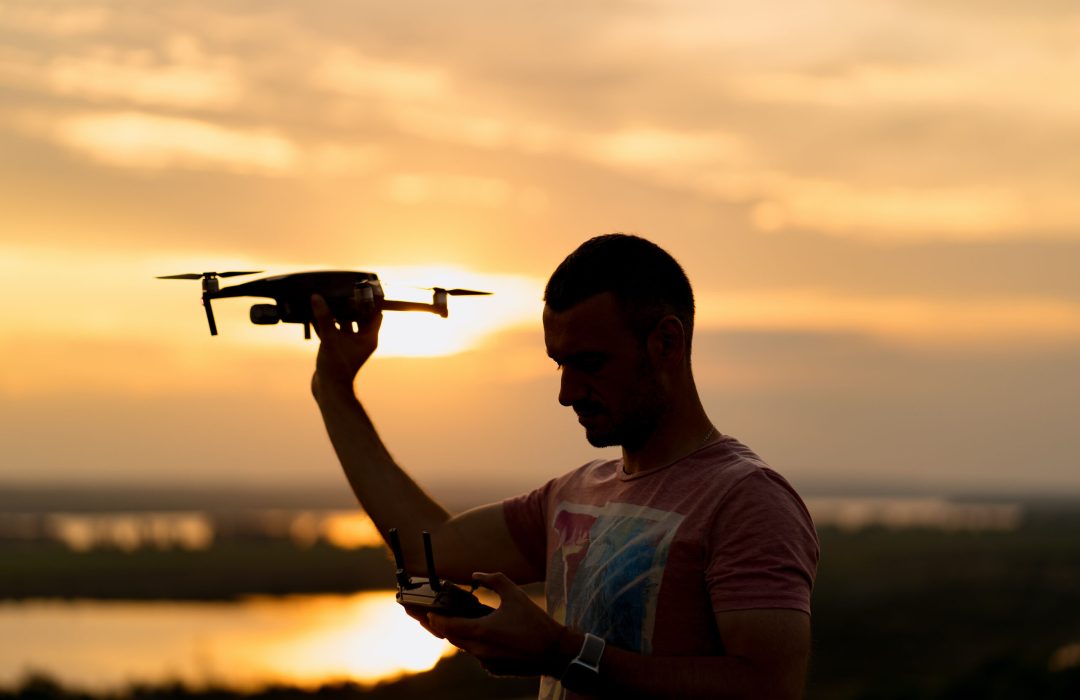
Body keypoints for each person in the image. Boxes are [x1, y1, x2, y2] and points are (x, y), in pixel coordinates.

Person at [310, 234, 819, 699]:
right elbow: (427, 543)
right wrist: (333, 388)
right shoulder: (573, 495)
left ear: (666, 342)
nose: (566, 393)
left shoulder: (747, 499)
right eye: (559, 363)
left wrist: (561, 653)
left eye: (591, 364)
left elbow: (769, 688)